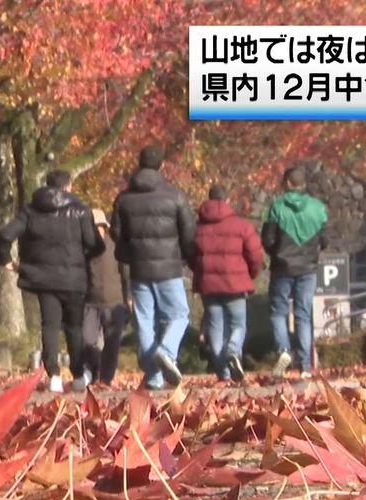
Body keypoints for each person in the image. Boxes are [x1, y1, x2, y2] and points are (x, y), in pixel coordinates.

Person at [0, 169, 104, 393]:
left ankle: (53, 374)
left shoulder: (30, 210)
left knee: (50, 325)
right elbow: (95, 244)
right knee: (74, 327)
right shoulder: (80, 210)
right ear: (69, 186)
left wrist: (6, 259)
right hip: (74, 279)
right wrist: (84, 257)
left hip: (43, 278)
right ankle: (77, 374)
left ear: (46, 185)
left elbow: (6, 234)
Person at [110, 145, 195, 390]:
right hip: (169, 266)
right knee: (179, 315)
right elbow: (188, 233)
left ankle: (154, 376)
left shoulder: (124, 199)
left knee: (145, 320)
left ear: (139, 164)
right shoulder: (176, 196)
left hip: (138, 267)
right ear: (162, 166)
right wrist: (187, 257)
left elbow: (116, 233)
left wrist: (130, 251)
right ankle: (167, 351)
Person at [189, 186, 263, 383]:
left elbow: (190, 255)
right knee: (238, 324)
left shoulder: (198, 229)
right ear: (227, 200)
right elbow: (255, 254)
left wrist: (201, 272)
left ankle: (223, 372)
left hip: (208, 285)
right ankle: (233, 350)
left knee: (215, 327)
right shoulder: (242, 226)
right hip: (235, 284)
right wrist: (250, 274)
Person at [262, 166, 328, 379]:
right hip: (308, 268)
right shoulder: (318, 208)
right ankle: (306, 366)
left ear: (288, 183)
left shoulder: (277, 207)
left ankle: (284, 351)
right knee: (303, 314)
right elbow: (324, 240)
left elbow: (268, 240)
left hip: (282, 268)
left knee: (278, 312)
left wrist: (276, 252)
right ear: (302, 184)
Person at [83, 209, 129, 386]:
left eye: (98, 227)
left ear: (104, 228)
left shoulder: (116, 245)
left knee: (112, 342)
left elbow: (125, 272)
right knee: (87, 340)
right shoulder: (84, 248)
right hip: (90, 302)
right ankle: (93, 370)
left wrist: (128, 297)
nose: (95, 231)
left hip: (114, 301)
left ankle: (106, 378)